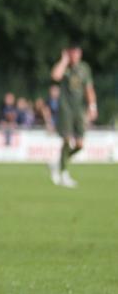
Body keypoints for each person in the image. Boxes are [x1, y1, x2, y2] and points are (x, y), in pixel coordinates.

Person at [50, 44, 96, 187]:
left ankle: (57, 163)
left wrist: (93, 106)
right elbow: (55, 76)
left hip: (79, 110)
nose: (75, 55)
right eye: (72, 53)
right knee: (67, 139)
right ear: (68, 53)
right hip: (66, 110)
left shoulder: (84, 68)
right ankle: (63, 173)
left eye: (77, 52)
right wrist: (63, 61)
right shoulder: (65, 68)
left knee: (80, 144)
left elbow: (89, 88)